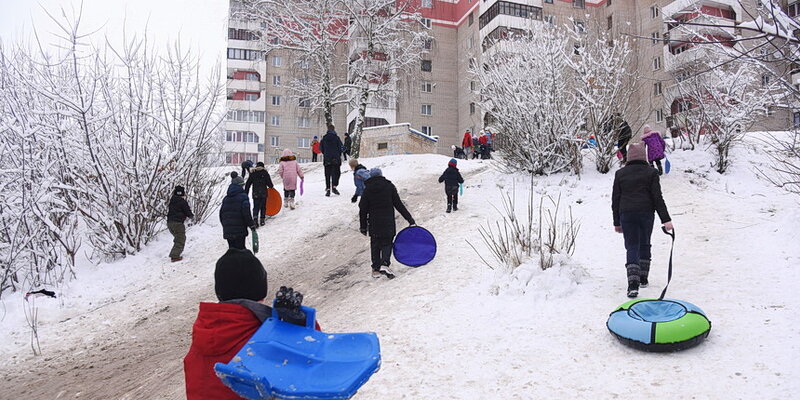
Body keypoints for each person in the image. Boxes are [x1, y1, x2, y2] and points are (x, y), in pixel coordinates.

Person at [183, 249, 322, 400]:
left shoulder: (202, 338)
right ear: (260, 291)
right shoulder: (262, 339)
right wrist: (300, 326)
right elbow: (316, 363)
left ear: (219, 292)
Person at [612, 143, 673, 298]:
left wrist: (617, 222)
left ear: (629, 157)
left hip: (627, 214)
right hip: (646, 214)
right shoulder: (651, 172)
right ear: (644, 157)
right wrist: (666, 220)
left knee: (632, 246)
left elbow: (616, 200)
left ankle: (633, 284)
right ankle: (643, 277)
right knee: (645, 243)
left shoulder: (620, 174)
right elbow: (657, 198)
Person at [359, 168, 416, 279]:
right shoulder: (389, 187)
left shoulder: (367, 189)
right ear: (381, 175)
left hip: (374, 222)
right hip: (387, 221)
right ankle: (385, 263)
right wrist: (410, 219)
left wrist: (363, 227)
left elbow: (363, 209)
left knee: (375, 244)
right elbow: (398, 204)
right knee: (387, 243)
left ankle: (376, 269)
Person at [220, 175, 256, 249]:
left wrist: (226, 226)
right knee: (241, 251)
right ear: (240, 186)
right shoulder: (243, 197)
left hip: (228, 231)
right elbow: (246, 214)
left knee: (232, 251)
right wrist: (251, 225)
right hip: (240, 231)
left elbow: (221, 214)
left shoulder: (226, 199)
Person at [167, 185, 194, 262]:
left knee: (178, 238)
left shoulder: (172, 201)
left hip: (170, 223)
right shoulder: (182, 202)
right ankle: (175, 256)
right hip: (178, 223)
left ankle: (175, 253)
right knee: (180, 239)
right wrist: (191, 216)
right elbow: (187, 211)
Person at [245, 162, 274, 226]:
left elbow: (248, 184)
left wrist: (246, 193)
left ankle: (255, 219)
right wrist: (271, 187)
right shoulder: (265, 173)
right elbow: (270, 184)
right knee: (263, 207)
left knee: (256, 207)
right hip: (263, 193)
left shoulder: (253, 173)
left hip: (255, 193)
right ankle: (262, 219)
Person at [320, 124, 344, 197]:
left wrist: (326, 153)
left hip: (327, 158)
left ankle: (328, 188)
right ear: (334, 129)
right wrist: (338, 153)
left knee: (327, 174)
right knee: (336, 173)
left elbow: (321, 148)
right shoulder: (336, 138)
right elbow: (341, 148)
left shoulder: (324, 138)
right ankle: (334, 186)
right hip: (336, 158)